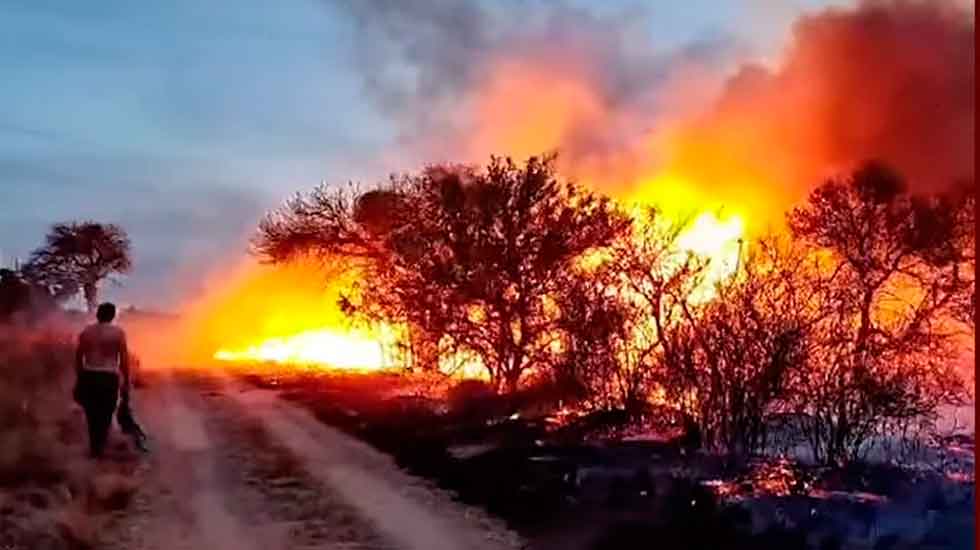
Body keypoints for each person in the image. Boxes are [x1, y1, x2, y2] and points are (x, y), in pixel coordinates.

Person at [74, 302, 146, 457]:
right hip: (108, 377)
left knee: (91, 413)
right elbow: (124, 359)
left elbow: (79, 357)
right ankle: (100, 445)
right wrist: (126, 381)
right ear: (112, 316)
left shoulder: (86, 332)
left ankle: (95, 446)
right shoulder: (118, 333)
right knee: (106, 413)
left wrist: (80, 379)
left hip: (89, 375)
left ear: (98, 314)